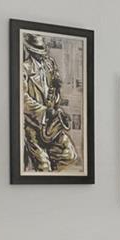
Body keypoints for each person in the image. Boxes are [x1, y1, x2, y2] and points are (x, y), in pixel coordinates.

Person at [19, 33, 81, 173]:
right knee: (44, 166)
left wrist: (56, 96)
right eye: (38, 51)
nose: (43, 55)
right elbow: (22, 98)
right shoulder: (24, 68)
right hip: (33, 125)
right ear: (31, 51)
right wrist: (44, 111)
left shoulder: (49, 64)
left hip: (50, 123)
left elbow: (55, 88)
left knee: (70, 156)